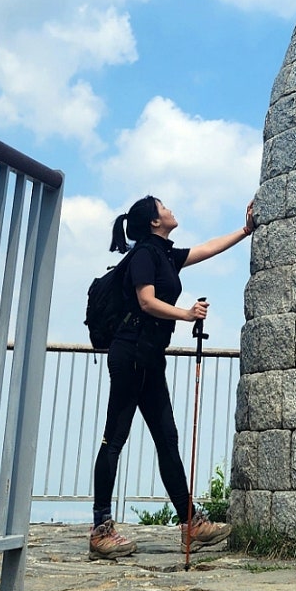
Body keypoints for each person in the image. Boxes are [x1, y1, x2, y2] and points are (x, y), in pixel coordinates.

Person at [89, 195, 254, 560]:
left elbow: (208, 249)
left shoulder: (165, 254)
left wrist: (246, 231)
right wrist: (186, 314)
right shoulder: (146, 255)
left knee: (167, 436)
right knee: (114, 437)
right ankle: (100, 530)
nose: (170, 210)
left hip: (148, 356)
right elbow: (146, 300)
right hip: (130, 352)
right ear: (153, 221)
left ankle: (190, 524)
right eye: (163, 207)